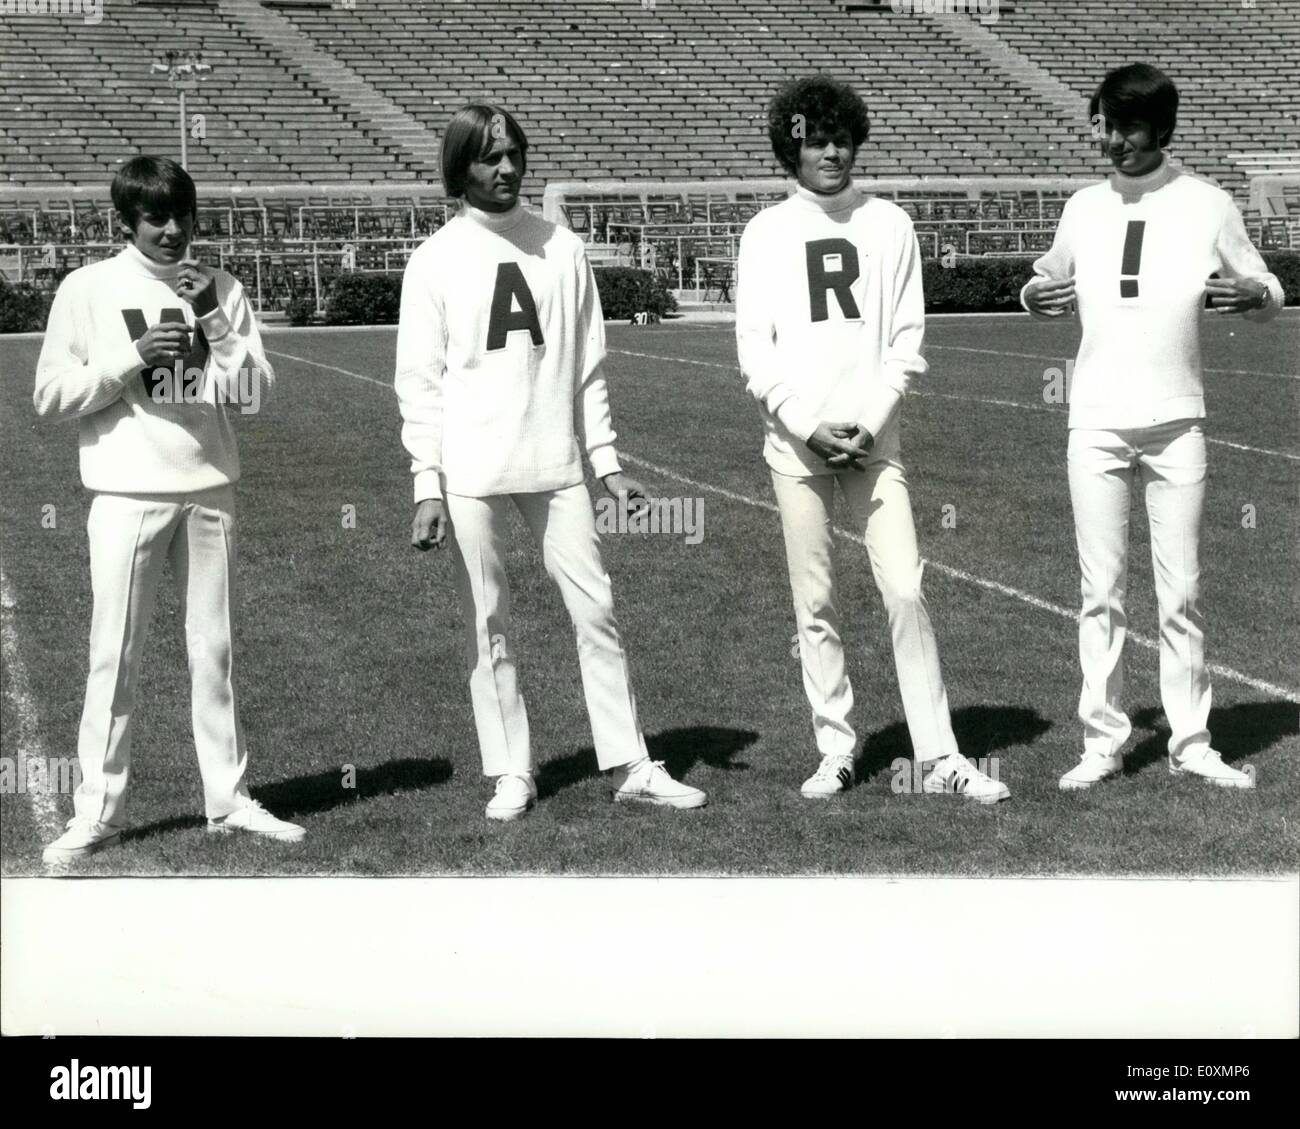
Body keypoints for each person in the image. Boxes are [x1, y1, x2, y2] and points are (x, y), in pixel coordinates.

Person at [396, 104, 707, 821]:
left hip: (555, 458)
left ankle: (632, 760)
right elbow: (419, 380)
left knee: (595, 607)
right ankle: (512, 769)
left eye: (513, 155)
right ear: (460, 167)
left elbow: (588, 365)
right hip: (470, 466)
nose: (505, 170)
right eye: (487, 157)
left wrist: (605, 460)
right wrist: (426, 484)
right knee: (489, 618)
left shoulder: (561, 249)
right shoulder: (436, 258)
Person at [735, 76, 1008, 804]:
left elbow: (907, 339)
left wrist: (872, 417)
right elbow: (754, 348)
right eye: (815, 139)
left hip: (874, 443)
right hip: (797, 448)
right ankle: (836, 748)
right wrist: (805, 423)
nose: (830, 151)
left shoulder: (889, 224)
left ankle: (939, 753)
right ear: (789, 148)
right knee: (815, 600)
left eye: (840, 138)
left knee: (905, 587)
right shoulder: (766, 231)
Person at [34, 156, 303, 863]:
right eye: (157, 218)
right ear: (124, 222)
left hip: (209, 487)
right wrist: (131, 358)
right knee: (114, 655)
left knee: (213, 650)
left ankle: (230, 799)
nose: (174, 230)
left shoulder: (223, 287)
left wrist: (214, 316)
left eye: (184, 215)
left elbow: (252, 397)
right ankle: (95, 812)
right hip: (126, 493)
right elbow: (50, 396)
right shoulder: (87, 288)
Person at [1022, 63, 1282, 791]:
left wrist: (1258, 291)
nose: (1113, 141)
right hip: (1096, 422)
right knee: (1099, 589)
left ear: (1162, 128)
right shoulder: (1082, 206)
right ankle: (1102, 740)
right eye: (1104, 125)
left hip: (1178, 423)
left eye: (1127, 127)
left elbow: (1267, 290)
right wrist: (1032, 293)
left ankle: (1192, 740)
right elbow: (1045, 275)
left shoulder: (1207, 205)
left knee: (1182, 591)